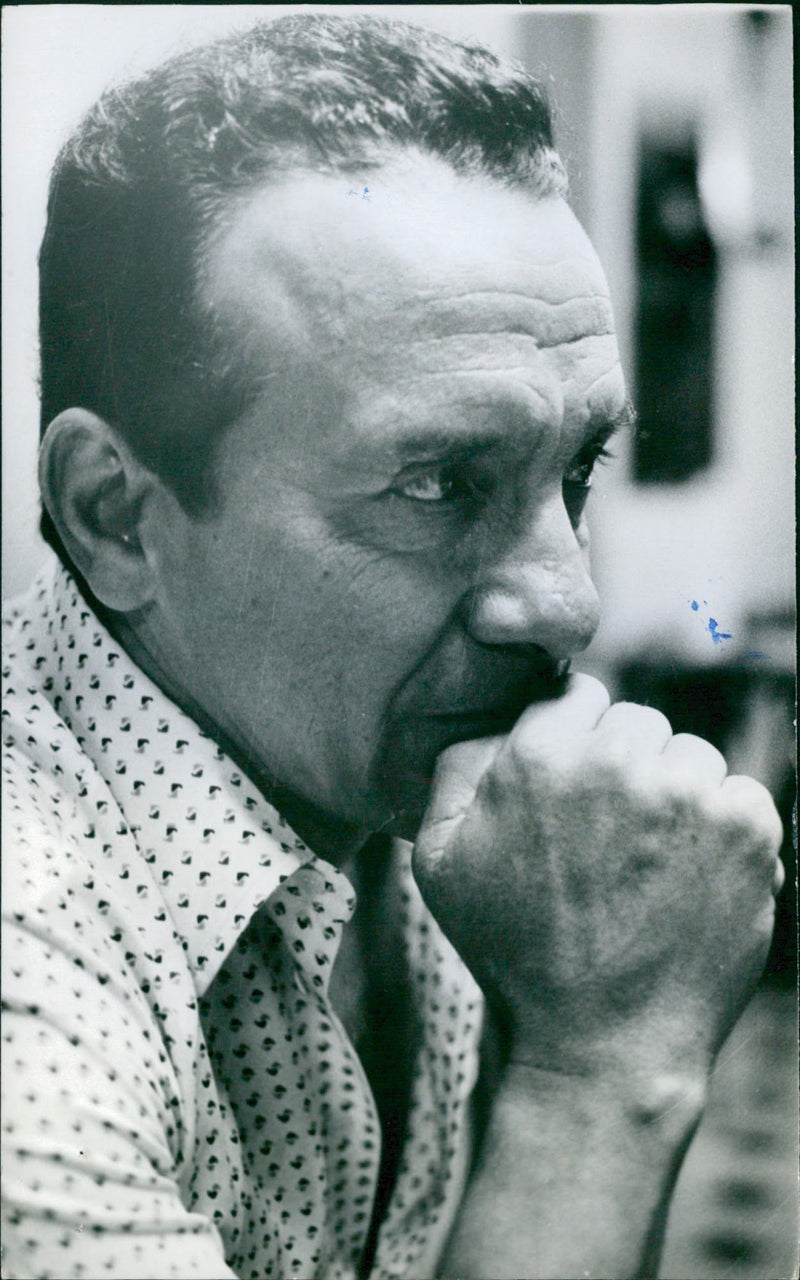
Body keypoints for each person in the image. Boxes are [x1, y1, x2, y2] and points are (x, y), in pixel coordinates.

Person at [1, 14, 784, 1280]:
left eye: (574, 469)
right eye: (435, 484)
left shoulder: (398, 782)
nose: (566, 601)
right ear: (114, 514)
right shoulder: (28, 1009)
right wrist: (598, 1075)